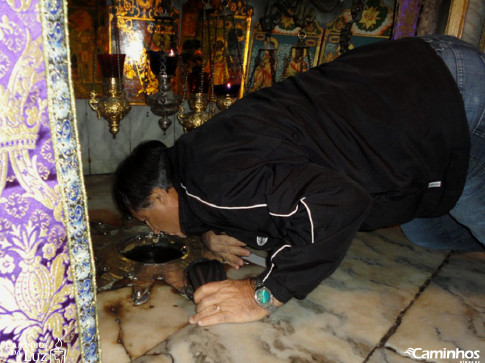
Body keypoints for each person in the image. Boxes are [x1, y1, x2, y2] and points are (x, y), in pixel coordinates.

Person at [113, 35, 485, 327]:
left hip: (445, 103)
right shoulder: (198, 155)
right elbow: (275, 197)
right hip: (422, 72)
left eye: (145, 218)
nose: (153, 229)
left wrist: (263, 294)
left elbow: (337, 203)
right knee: (429, 233)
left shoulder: (211, 185)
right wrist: (210, 229)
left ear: (160, 196)